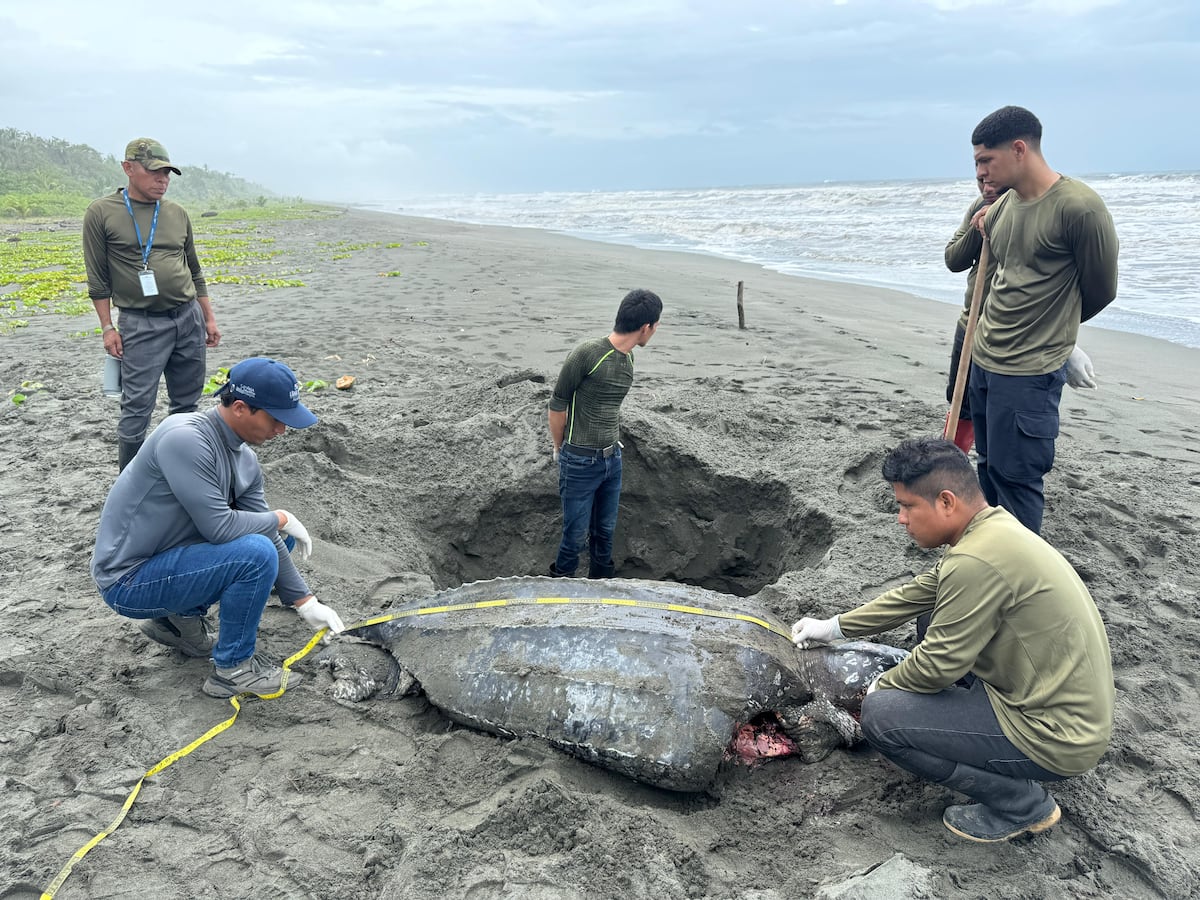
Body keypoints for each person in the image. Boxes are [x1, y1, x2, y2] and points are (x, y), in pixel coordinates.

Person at [792, 437, 1113, 843]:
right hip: (1052, 701)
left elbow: (936, 666)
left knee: (884, 717)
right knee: (931, 615)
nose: (900, 519)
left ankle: (1022, 804)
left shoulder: (973, 562)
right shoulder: (993, 529)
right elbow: (917, 593)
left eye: (907, 506)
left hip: (1055, 734)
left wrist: (881, 688)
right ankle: (961, 732)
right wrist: (834, 626)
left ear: (946, 502)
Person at [91, 357, 346, 698]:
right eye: (275, 419)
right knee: (256, 552)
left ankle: (176, 623)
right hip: (128, 580)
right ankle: (233, 670)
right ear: (240, 407)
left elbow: (264, 532)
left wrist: (306, 602)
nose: (281, 431)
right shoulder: (185, 438)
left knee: (270, 540)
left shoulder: (245, 460)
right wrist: (280, 517)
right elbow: (220, 528)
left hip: (167, 565)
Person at [966, 106, 1118, 532]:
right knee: (989, 468)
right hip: (985, 361)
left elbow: (1101, 289)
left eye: (985, 160)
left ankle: (1020, 578)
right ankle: (990, 556)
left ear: (1019, 149)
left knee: (1017, 480)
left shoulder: (1080, 208)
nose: (980, 172)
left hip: (1029, 371)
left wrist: (1058, 336)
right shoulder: (1002, 208)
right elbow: (995, 278)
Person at [84, 138, 222, 472]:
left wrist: (209, 318)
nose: (163, 180)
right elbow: (98, 280)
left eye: (167, 173)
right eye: (154, 171)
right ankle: (129, 485)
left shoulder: (176, 213)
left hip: (187, 318)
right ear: (128, 168)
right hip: (141, 323)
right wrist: (107, 328)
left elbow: (194, 269)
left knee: (187, 406)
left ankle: (184, 473)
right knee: (136, 409)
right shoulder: (102, 213)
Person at [547, 289, 662, 578]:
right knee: (574, 537)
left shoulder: (628, 360)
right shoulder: (588, 354)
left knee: (605, 533)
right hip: (579, 460)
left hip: (613, 460)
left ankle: (602, 590)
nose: (656, 331)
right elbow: (558, 402)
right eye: (656, 325)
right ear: (646, 327)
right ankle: (559, 588)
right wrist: (560, 448)